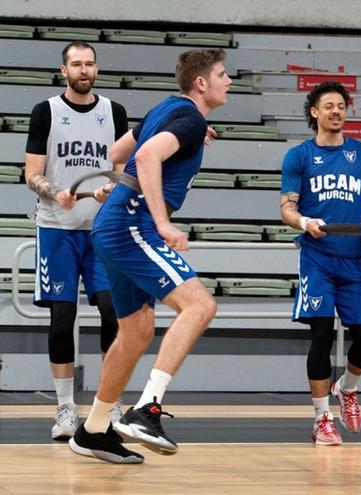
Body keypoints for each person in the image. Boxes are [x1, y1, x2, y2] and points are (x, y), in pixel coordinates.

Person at [68, 48, 230, 464]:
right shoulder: (190, 119)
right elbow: (145, 156)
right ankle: (147, 410)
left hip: (114, 223)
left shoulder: (170, 110)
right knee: (200, 305)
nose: (227, 81)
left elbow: (118, 154)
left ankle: (94, 430)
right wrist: (161, 222)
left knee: (136, 330)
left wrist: (120, 184)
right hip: (132, 225)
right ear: (201, 83)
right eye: (222, 74)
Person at [24, 41, 128, 441]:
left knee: (111, 313)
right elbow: (31, 173)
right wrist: (54, 191)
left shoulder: (113, 112)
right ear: (63, 70)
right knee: (62, 317)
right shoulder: (45, 111)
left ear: (96, 70)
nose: (83, 70)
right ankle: (66, 408)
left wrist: (111, 190)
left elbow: (122, 170)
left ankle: (109, 403)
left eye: (89, 64)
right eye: (76, 64)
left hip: (101, 229)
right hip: (56, 229)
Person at [280, 81, 361, 446]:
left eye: (341, 105)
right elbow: (287, 208)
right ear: (315, 112)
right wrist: (305, 222)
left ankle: (348, 388)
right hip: (317, 259)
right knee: (321, 334)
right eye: (329, 106)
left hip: (355, 259)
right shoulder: (299, 156)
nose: (337, 111)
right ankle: (322, 418)